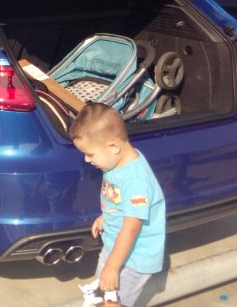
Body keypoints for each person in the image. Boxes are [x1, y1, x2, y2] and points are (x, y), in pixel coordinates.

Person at [70, 103, 166, 307]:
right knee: (101, 296)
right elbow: (120, 201)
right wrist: (107, 215)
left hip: (134, 258)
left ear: (113, 146)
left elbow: (131, 228)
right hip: (114, 247)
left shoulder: (136, 181)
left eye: (90, 154)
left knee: (113, 302)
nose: (86, 160)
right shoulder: (116, 161)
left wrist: (112, 267)